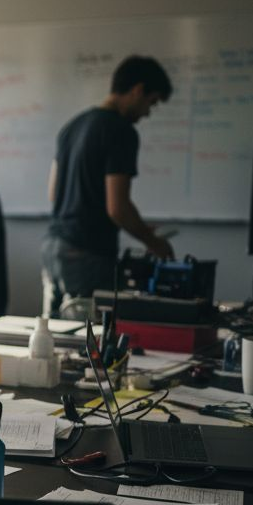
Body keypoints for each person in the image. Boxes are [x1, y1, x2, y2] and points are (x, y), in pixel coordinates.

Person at [41, 55, 176, 318]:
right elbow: (118, 207)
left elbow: (53, 193)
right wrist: (153, 241)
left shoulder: (72, 126)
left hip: (53, 248)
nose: (148, 112)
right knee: (90, 346)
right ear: (138, 90)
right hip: (86, 256)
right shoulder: (120, 131)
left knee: (54, 339)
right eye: (152, 102)